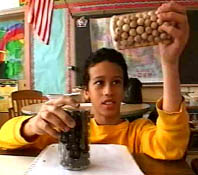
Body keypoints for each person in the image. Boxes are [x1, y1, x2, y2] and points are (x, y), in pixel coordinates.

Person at [0, 1, 190, 160]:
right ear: (87, 92)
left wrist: (170, 63)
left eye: (116, 82)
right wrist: (33, 125)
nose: (108, 91)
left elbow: (171, 147)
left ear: (124, 88)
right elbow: (3, 137)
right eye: (99, 82)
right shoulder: (66, 130)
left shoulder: (137, 132)